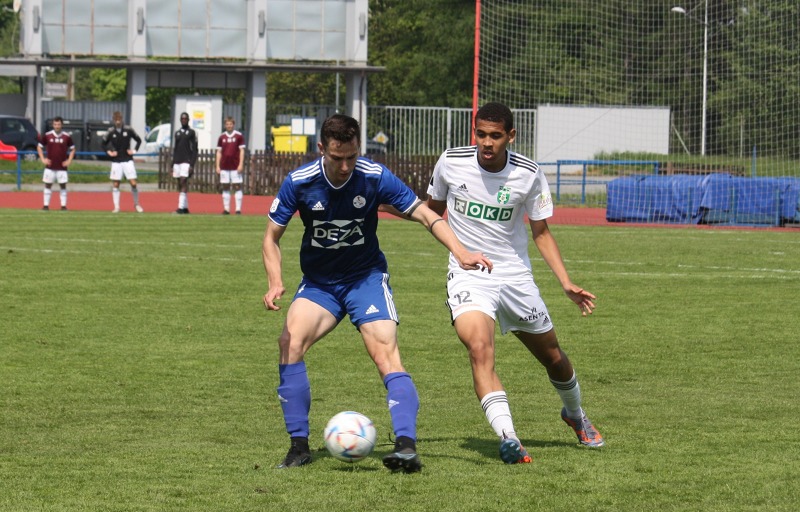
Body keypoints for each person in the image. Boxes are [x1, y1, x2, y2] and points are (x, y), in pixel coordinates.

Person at [262, 114, 493, 473]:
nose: (345, 166)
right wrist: (275, 280)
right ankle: (298, 447)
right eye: (337, 158)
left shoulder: (374, 175)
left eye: (351, 157)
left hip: (365, 279)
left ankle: (406, 447)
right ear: (321, 148)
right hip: (320, 284)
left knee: (386, 353)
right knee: (289, 343)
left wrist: (461, 252)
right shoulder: (300, 181)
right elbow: (271, 238)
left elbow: (425, 214)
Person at [426, 102, 604, 464]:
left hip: (515, 277)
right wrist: (458, 251)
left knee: (553, 357)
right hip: (468, 274)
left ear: (511, 136)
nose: (486, 143)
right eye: (480, 134)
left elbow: (541, 232)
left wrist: (565, 282)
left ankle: (575, 413)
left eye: (495, 136)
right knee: (479, 349)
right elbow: (431, 213)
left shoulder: (528, 173)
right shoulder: (451, 161)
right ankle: (509, 437)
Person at [103, 111, 143, 213]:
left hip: (127, 160)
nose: (118, 121)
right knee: (116, 184)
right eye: (116, 119)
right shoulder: (110, 131)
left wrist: (134, 151)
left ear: (122, 119)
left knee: (133, 183)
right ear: (113, 120)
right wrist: (109, 152)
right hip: (116, 161)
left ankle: (136, 204)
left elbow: (139, 140)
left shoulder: (128, 129)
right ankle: (116, 207)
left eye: (119, 119)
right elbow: (103, 143)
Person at [37, 116, 76, 211]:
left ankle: (63, 206)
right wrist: (43, 159)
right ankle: (46, 206)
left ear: (62, 125)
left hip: (62, 167)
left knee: (63, 185)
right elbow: (39, 147)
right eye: (55, 124)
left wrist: (69, 160)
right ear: (53, 125)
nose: (57, 126)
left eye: (58, 124)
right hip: (50, 166)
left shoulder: (66, 136)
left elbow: (73, 149)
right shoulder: (47, 135)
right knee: (47, 185)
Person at [215, 117, 245, 215]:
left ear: (233, 124)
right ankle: (226, 209)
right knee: (225, 186)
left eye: (230, 124)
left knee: (237, 186)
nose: (229, 126)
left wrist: (241, 164)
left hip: (235, 166)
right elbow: (219, 152)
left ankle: (238, 209)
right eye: (227, 124)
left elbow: (242, 151)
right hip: (224, 166)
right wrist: (217, 166)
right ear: (225, 125)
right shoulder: (221, 137)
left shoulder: (239, 136)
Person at [172, 112, 198, 214]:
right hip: (177, 161)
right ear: (180, 120)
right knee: (180, 183)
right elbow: (175, 148)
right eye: (182, 119)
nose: (184, 120)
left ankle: (180, 208)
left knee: (183, 181)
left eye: (185, 119)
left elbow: (195, 149)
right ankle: (186, 208)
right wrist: (172, 164)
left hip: (186, 161)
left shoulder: (192, 132)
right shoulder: (177, 133)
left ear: (188, 120)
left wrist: (192, 164)